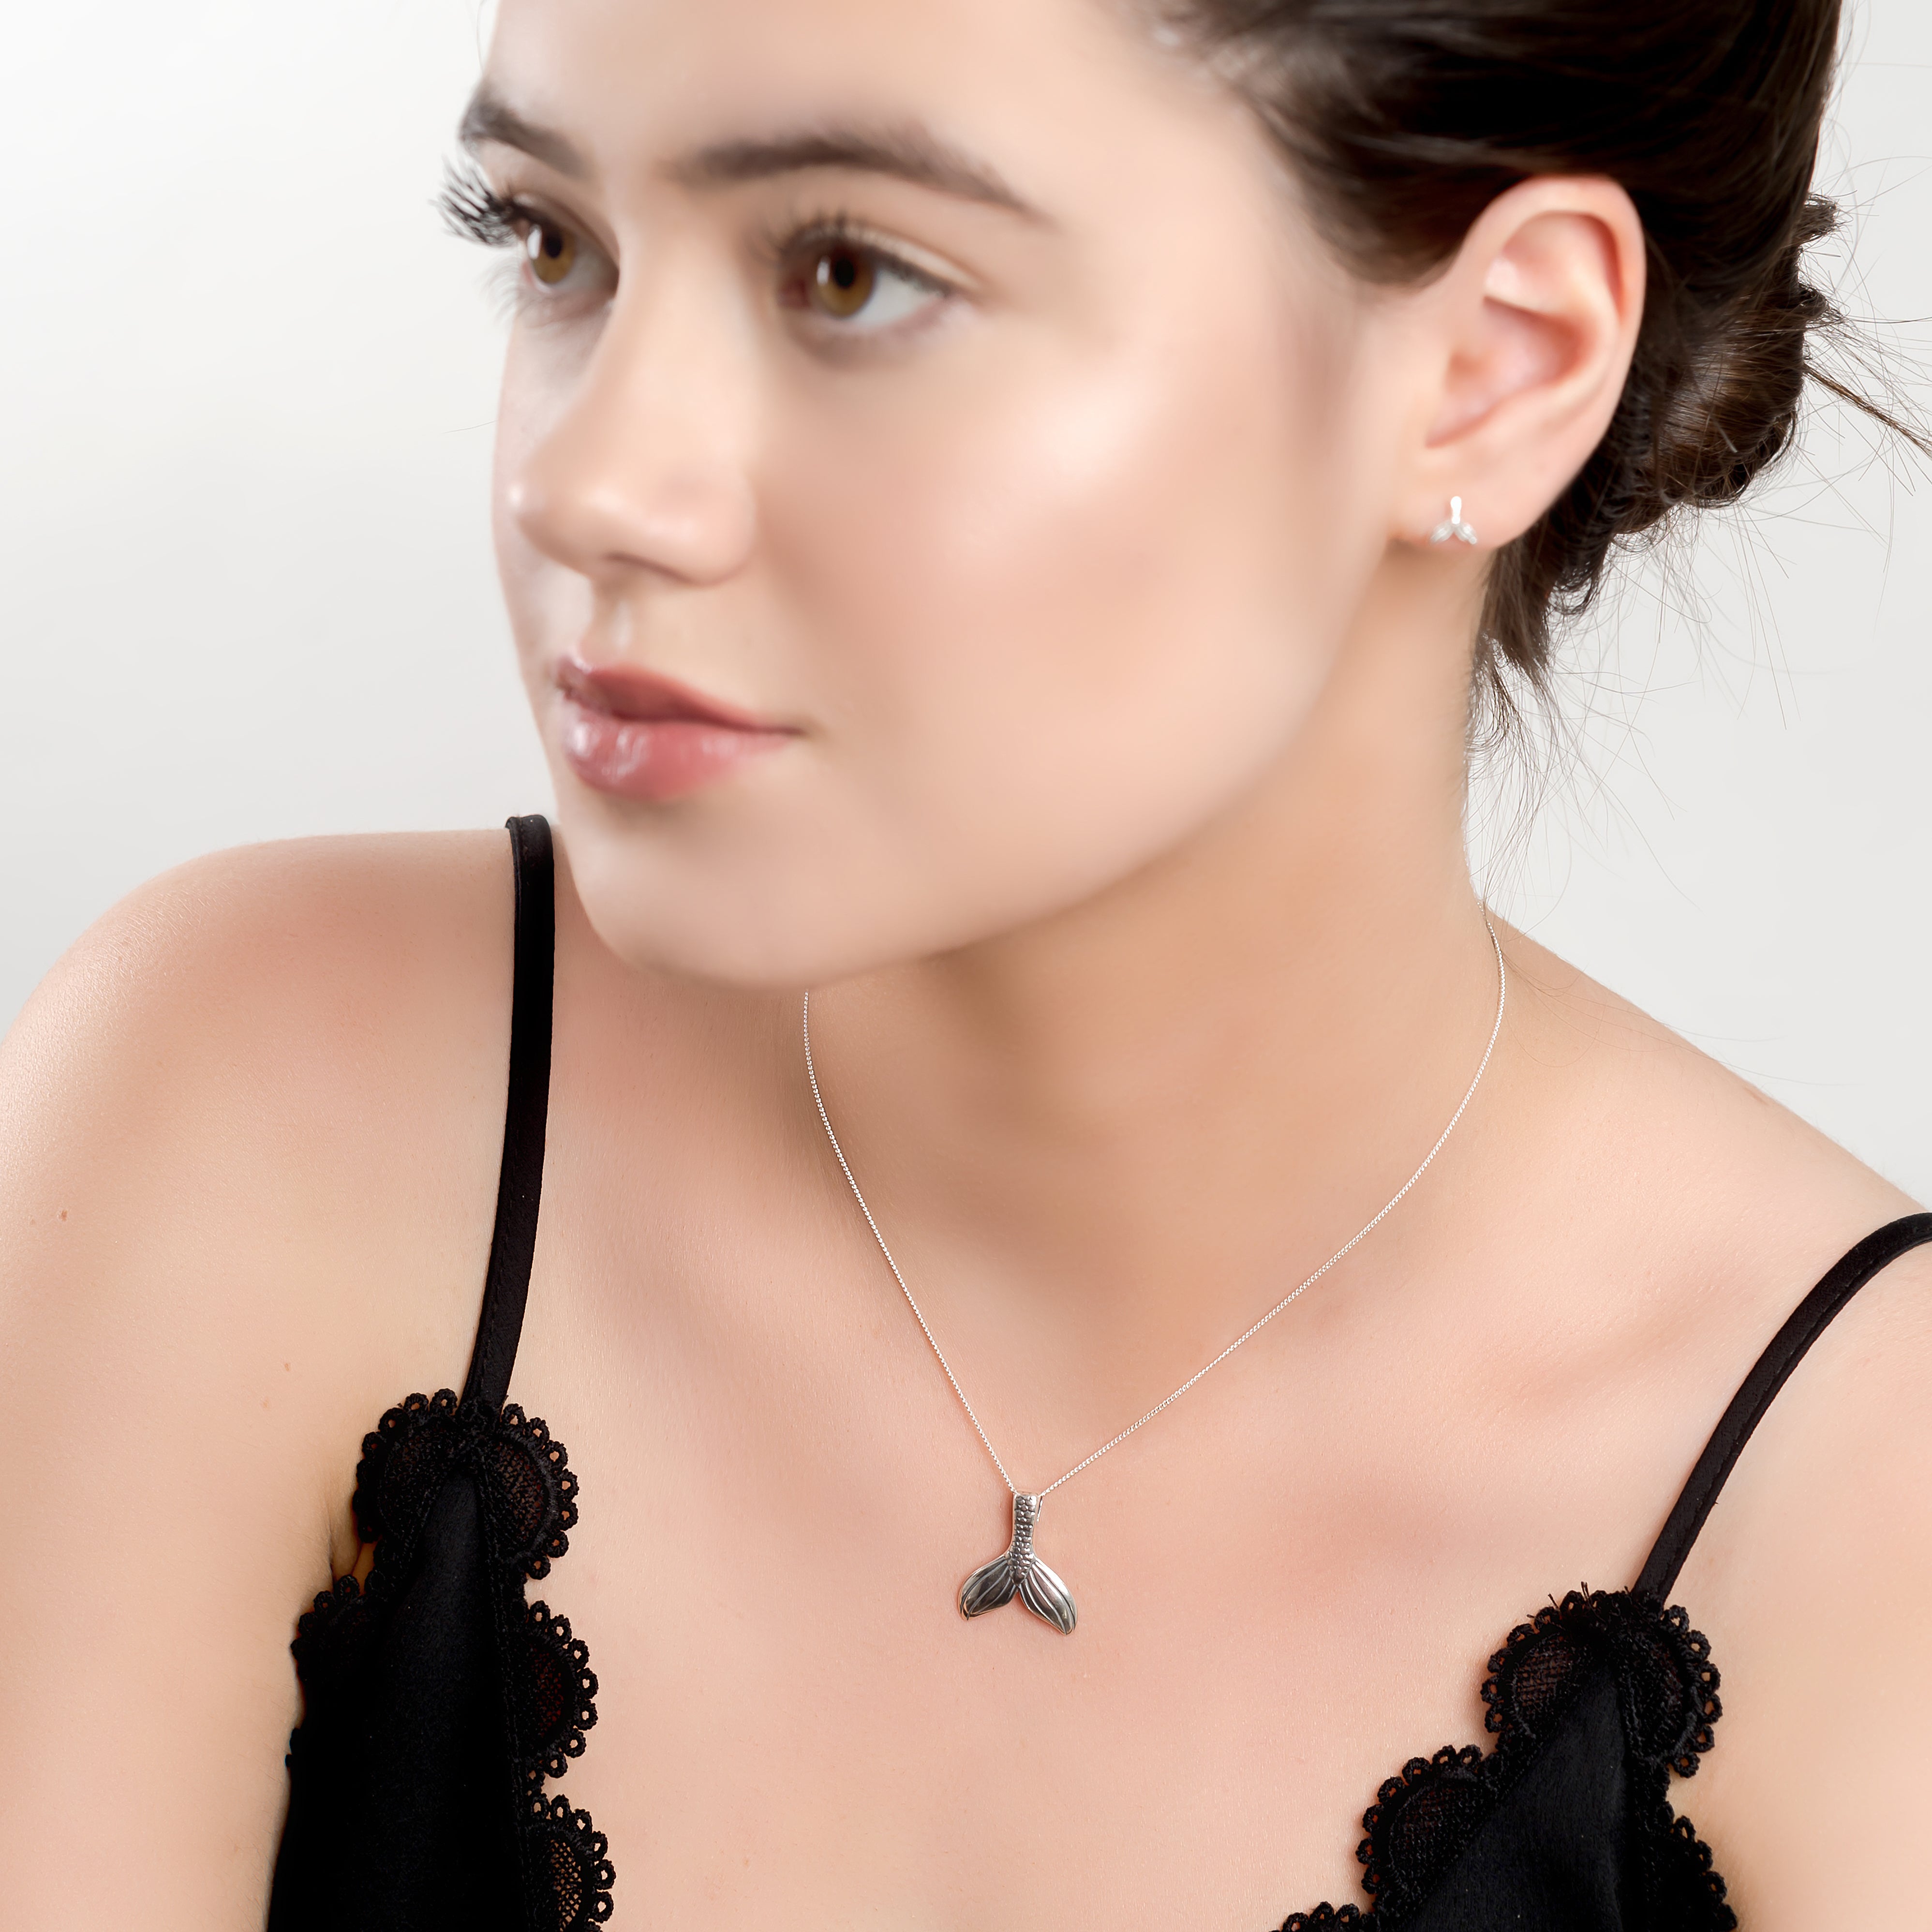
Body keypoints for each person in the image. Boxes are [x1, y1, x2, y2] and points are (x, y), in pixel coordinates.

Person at [2, 0, 1926, 1924]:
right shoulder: (245, 1110)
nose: (582, 485)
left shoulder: (1866, 1531)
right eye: (555, 239)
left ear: (1494, 369)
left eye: (852, 273)